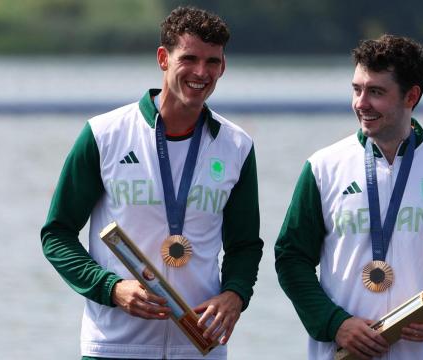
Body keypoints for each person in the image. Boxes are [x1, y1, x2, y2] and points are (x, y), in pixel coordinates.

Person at [41, 6, 263, 360]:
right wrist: (111, 288)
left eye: (213, 62)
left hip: (199, 347)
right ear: (163, 58)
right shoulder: (104, 134)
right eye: (189, 58)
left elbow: (245, 245)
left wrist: (235, 294)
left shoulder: (237, 145)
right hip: (114, 345)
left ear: (223, 66)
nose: (201, 72)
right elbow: (57, 234)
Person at [275, 34, 423, 360]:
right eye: (357, 89)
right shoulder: (323, 166)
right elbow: (291, 257)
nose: (361, 103)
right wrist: (335, 323)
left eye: (376, 92)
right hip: (343, 352)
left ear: (411, 96)